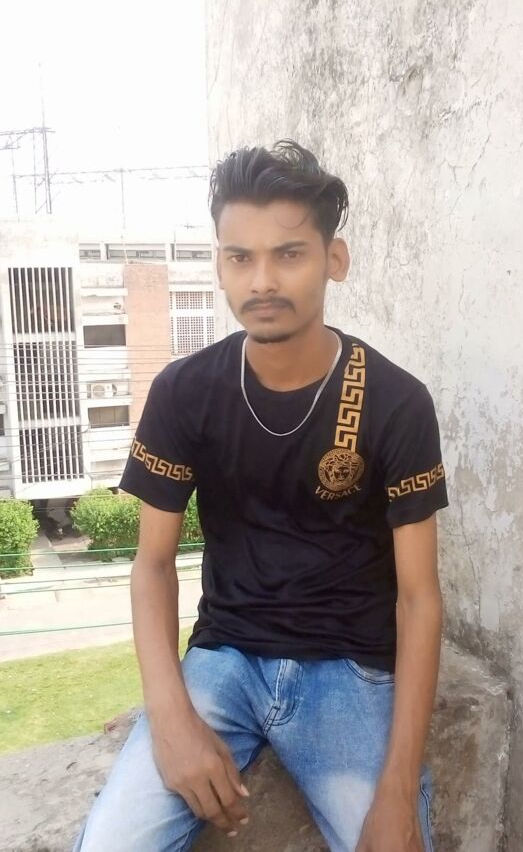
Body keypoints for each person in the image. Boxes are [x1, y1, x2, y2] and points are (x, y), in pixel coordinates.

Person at [73, 140, 449, 852]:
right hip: (225, 659)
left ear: (334, 259)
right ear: (219, 265)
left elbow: (419, 597)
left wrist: (399, 788)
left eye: (289, 254)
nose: (263, 280)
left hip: (351, 673)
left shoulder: (396, 402)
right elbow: (152, 565)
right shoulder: (185, 393)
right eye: (240, 257)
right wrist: (171, 719)